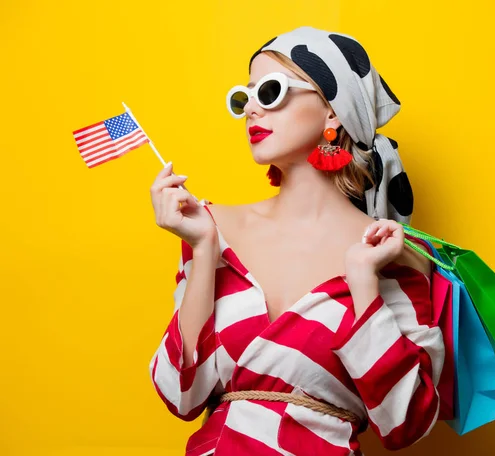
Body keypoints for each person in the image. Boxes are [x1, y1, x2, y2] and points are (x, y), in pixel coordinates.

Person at [148, 26, 445, 456]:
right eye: (244, 97)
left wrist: (364, 284)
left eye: (270, 92)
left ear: (332, 113)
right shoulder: (212, 228)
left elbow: (407, 424)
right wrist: (205, 248)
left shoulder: (395, 256)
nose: (252, 109)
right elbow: (181, 394)